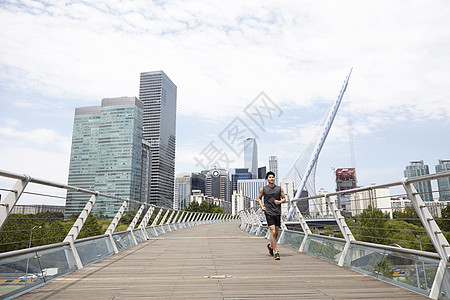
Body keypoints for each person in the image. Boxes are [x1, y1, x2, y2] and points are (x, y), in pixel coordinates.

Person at [258, 171, 286, 260]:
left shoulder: (279, 189)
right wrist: (262, 206)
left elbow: (284, 198)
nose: (271, 179)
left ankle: (270, 246)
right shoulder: (263, 189)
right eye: (270, 177)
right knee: (273, 232)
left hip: (277, 212)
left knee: (276, 233)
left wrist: (280, 201)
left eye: (273, 177)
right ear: (267, 179)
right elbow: (259, 198)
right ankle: (276, 252)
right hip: (268, 212)